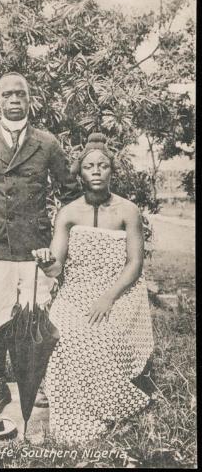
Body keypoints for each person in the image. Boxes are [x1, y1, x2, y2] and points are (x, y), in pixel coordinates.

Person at [0, 72, 81, 413]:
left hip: (36, 247)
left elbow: (70, 195)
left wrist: (57, 240)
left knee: (34, 316)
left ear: (29, 98)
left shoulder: (47, 143)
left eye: (20, 94)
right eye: (7, 94)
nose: (14, 100)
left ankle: (30, 383)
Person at [32, 133, 154, 443]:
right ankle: (74, 412)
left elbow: (135, 263)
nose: (96, 171)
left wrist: (107, 298)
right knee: (62, 334)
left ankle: (108, 407)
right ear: (80, 173)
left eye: (103, 165)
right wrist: (47, 262)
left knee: (98, 336)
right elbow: (57, 267)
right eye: (89, 166)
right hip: (75, 292)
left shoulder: (128, 211)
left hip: (120, 292)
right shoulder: (69, 213)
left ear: (113, 170)